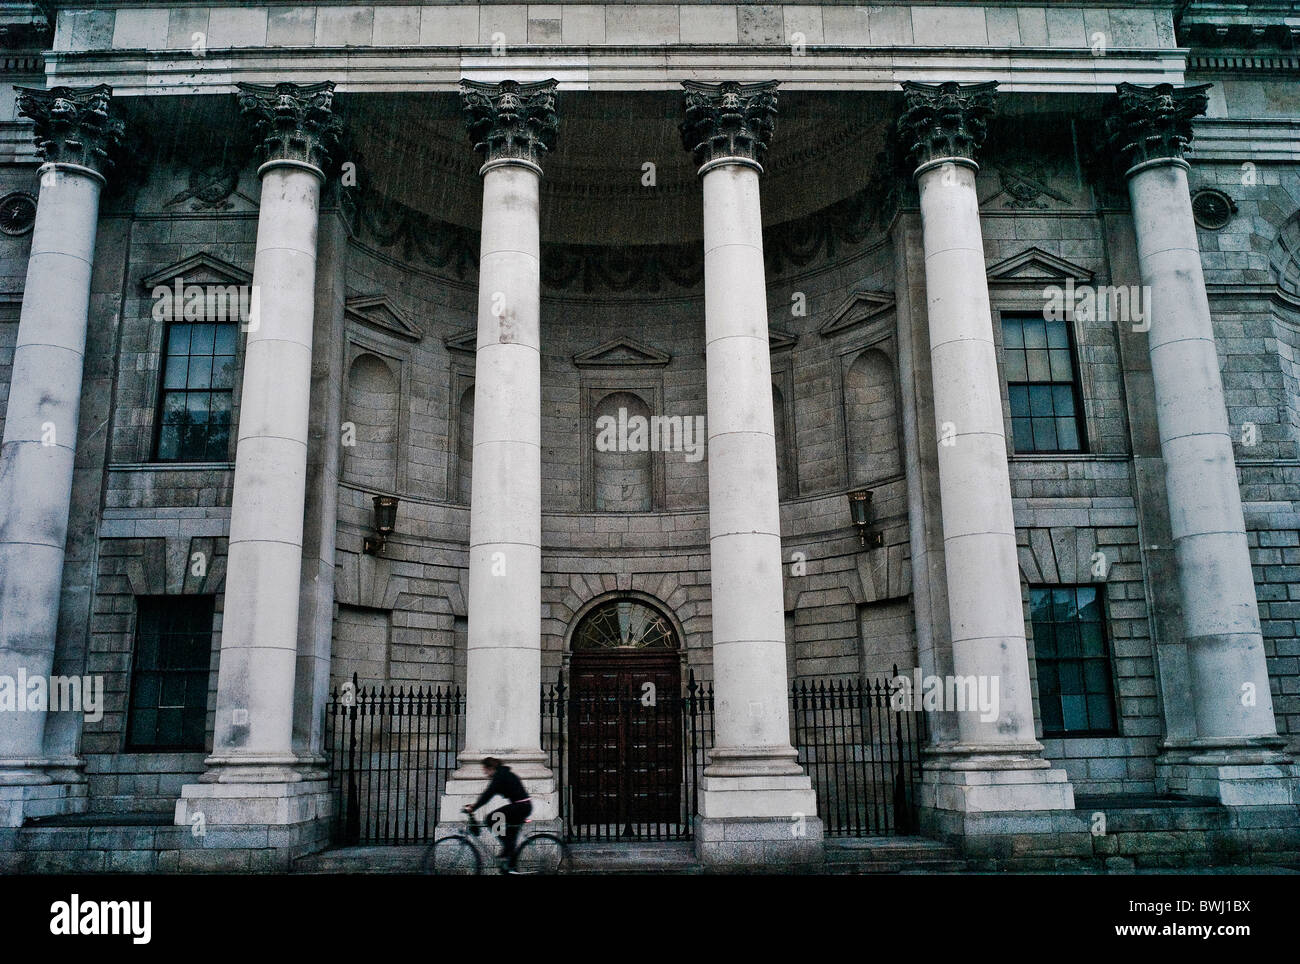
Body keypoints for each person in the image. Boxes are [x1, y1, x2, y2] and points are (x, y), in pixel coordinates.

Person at [462, 757, 531, 873]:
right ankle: (511, 867)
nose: (485, 773)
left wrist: (473, 807)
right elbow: (488, 794)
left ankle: (507, 850)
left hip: (521, 807)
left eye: (485, 770)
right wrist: (475, 806)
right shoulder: (502, 774)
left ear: (490, 768)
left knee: (491, 818)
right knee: (510, 838)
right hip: (523, 806)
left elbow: (487, 795)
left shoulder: (499, 776)